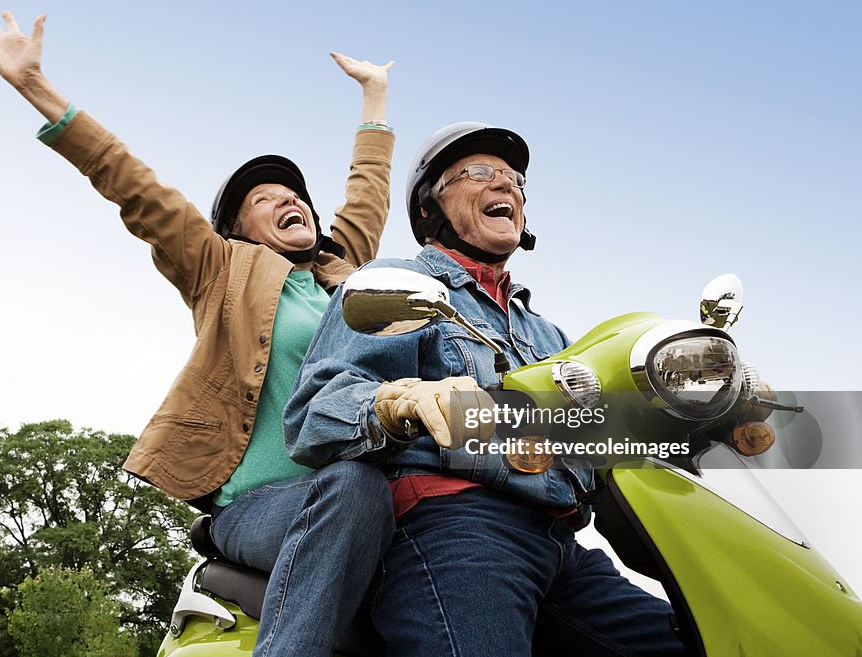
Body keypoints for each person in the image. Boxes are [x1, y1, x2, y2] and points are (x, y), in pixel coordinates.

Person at [0, 11, 396, 657]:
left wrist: (374, 95)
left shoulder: (346, 275)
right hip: (263, 503)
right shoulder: (221, 268)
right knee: (355, 487)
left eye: (293, 192)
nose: (287, 199)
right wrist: (36, 87)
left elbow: (368, 194)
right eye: (264, 198)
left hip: (360, 501)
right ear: (242, 230)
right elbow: (135, 186)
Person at [286, 122, 688, 656]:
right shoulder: (398, 285)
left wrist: (696, 415)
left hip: (565, 548)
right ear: (430, 208)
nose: (505, 186)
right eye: (479, 173)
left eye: (514, 179)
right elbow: (313, 414)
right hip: (455, 530)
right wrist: (392, 402)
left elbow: (599, 436)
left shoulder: (549, 335)